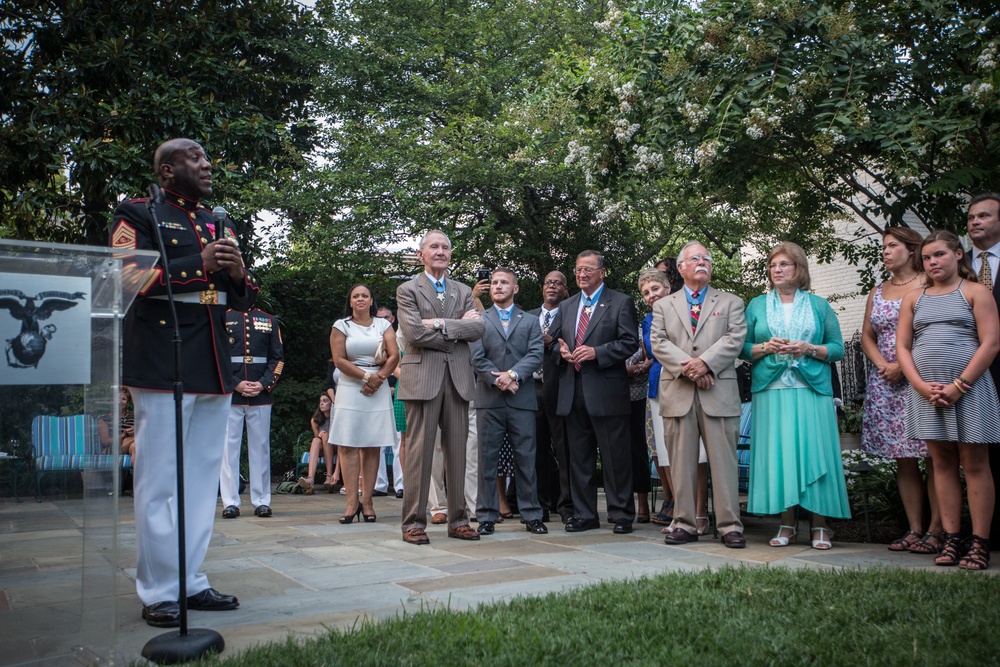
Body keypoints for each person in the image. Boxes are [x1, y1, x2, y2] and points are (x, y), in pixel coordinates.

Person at [109, 138, 255, 627]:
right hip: (162, 357)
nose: (207, 163)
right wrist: (201, 265)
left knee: (199, 482)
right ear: (168, 171)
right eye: (194, 158)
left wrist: (236, 274)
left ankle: (191, 580)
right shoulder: (137, 213)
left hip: (212, 360)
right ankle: (157, 589)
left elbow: (243, 295)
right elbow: (126, 279)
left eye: (207, 156)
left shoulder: (220, 220)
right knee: (159, 482)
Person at [898, 230, 1000, 570]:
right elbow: (903, 348)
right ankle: (952, 538)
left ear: (958, 254)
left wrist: (960, 384)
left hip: (969, 391)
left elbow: (990, 344)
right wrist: (921, 386)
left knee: (974, 463)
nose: (932, 262)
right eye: (927, 258)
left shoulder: (976, 292)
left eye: (939, 255)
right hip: (926, 394)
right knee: (941, 463)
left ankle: (979, 542)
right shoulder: (914, 298)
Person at [741, 242, 849, 550]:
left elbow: (838, 348)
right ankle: (786, 523)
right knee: (781, 458)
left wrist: (809, 349)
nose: (777, 270)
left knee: (815, 454)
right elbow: (742, 347)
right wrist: (765, 348)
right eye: (773, 265)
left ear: (798, 269)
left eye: (784, 264)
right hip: (771, 391)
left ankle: (820, 525)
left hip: (812, 389)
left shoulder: (819, 306)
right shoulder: (757, 305)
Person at [651, 243, 748, 548]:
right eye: (695, 258)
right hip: (678, 393)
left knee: (723, 463)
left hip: (718, 392)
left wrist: (705, 363)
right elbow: (659, 342)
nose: (703, 262)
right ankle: (683, 523)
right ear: (680, 268)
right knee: (680, 463)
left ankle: (730, 526)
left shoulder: (731, 302)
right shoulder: (663, 306)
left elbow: (735, 338)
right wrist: (691, 369)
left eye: (707, 258)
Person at [396, 230, 485, 544]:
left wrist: (440, 324)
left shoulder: (462, 290)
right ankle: (413, 524)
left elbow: (479, 327)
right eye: (434, 246)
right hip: (422, 380)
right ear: (421, 254)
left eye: (445, 247)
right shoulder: (408, 289)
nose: (440, 251)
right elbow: (413, 334)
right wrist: (457, 330)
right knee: (420, 453)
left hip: (459, 379)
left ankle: (459, 520)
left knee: (458, 452)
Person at [859, 228, 942, 553]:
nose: (886, 251)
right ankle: (914, 529)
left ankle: (939, 529)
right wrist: (883, 364)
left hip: (922, 380)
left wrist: (904, 366)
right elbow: (867, 335)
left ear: (911, 250)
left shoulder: (929, 284)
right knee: (904, 460)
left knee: (937, 456)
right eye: (884, 247)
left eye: (893, 246)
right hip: (887, 384)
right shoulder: (878, 291)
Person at [550, 250, 639, 534]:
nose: (582, 274)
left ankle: (621, 514)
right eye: (577, 270)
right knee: (579, 457)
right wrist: (560, 351)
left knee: (615, 457)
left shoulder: (620, 302)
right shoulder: (567, 306)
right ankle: (585, 514)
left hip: (607, 390)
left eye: (588, 269)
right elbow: (552, 342)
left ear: (602, 272)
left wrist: (597, 352)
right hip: (572, 391)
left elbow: (629, 343)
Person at [470, 267, 546, 535]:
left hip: (521, 398)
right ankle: (487, 516)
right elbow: (477, 357)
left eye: (504, 283)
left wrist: (513, 374)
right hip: (489, 399)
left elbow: (536, 353)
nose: (498, 286)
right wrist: (499, 380)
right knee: (486, 460)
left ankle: (532, 514)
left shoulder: (530, 320)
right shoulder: (479, 319)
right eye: (495, 283)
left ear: (515, 288)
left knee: (526, 458)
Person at [638, 269, 710, 534]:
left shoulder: (690, 309)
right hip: (660, 386)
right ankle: (681, 514)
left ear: (668, 287)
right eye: (645, 292)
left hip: (694, 384)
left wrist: (694, 370)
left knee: (698, 452)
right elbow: (655, 348)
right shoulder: (648, 320)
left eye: (655, 289)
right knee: (668, 454)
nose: (651, 296)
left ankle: (701, 513)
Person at [329, 284, 400, 523]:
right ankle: (351, 502)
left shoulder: (383, 324)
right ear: (350, 302)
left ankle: (368, 502)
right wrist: (366, 377)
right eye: (355, 296)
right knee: (348, 445)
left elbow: (394, 355)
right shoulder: (341, 326)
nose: (360, 299)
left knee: (372, 445)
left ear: (372, 301)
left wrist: (378, 379)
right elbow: (339, 359)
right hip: (351, 386)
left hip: (377, 386)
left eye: (365, 295)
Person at [220, 307, 284, 519]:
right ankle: (230, 502)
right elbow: (217, 357)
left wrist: (264, 384)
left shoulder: (269, 319)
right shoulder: (223, 317)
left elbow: (277, 358)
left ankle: (262, 501)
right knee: (228, 450)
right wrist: (235, 384)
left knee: (261, 448)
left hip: (260, 392)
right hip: (231, 393)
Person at [967, 192, 1000, 547]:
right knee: (977, 453)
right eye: (972, 217)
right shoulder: (957, 265)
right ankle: (983, 535)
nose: (976, 222)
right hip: (965, 372)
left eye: (985, 216)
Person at [528, 271, 573, 523]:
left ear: (565, 290)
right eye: (548, 282)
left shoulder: (571, 314)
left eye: (558, 283)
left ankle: (566, 505)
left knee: (564, 449)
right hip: (532, 390)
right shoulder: (530, 316)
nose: (552, 286)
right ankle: (539, 506)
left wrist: (552, 341)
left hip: (560, 388)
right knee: (536, 451)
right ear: (542, 287)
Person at [374, 305, 404, 498]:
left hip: (400, 389)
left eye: (386, 317)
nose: (383, 320)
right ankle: (379, 484)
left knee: (400, 439)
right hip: (378, 390)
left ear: (392, 319)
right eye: (380, 317)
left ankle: (401, 484)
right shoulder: (376, 336)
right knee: (377, 440)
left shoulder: (401, 335)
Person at [299, 394, 337, 494]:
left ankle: (329, 476)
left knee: (326, 436)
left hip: (336, 447)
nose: (321, 403)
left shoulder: (337, 418)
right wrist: (319, 436)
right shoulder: (315, 420)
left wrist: (326, 435)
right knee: (316, 440)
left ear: (332, 403)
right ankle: (310, 479)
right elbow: (317, 439)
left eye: (325, 401)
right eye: (320, 401)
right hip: (323, 448)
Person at [98, 388, 135, 461]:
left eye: (124, 399)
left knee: (134, 446)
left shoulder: (135, 416)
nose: (120, 402)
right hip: (113, 449)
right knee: (139, 440)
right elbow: (106, 442)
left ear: (127, 402)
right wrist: (123, 435)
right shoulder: (104, 419)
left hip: (133, 446)